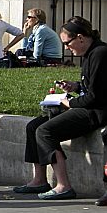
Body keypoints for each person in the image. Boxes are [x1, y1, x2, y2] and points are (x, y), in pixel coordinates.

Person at [14, 17, 107, 203]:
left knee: (46, 131)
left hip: (96, 112)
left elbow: (96, 97)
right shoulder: (90, 53)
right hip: (88, 107)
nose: (66, 48)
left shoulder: (100, 54)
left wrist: (68, 103)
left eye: (67, 43)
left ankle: (63, 185)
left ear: (80, 38)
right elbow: (92, 86)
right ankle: (39, 180)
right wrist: (76, 86)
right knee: (34, 126)